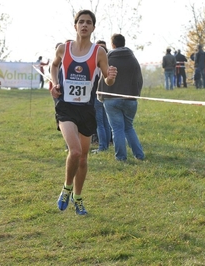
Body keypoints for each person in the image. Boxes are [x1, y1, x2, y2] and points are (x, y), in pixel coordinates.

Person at [50, 10, 117, 215]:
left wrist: (112, 77)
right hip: (66, 108)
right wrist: (54, 83)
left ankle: (78, 198)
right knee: (75, 151)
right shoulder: (64, 48)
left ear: (93, 28)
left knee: (83, 158)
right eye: (81, 22)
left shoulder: (99, 52)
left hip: (86, 109)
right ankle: (66, 188)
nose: (84, 25)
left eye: (88, 22)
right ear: (75, 26)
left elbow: (107, 80)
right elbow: (53, 66)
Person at [100, 33, 145, 162]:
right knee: (129, 127)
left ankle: (121, 158)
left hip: (111, 99)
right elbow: (139, 79)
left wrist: (101, 95)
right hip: (131, 99)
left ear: (112, 44)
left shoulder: (109, 59)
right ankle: (139, 155)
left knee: (117, 129)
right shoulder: (133, 59)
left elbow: (102, 79)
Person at [93, 40, 111, 153]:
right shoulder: (108, 64)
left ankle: (102, 146)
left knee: (100, 123)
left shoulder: (96, 65)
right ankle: (107, 144)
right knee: (106, 122)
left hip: (97, 95)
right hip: (107, 95)